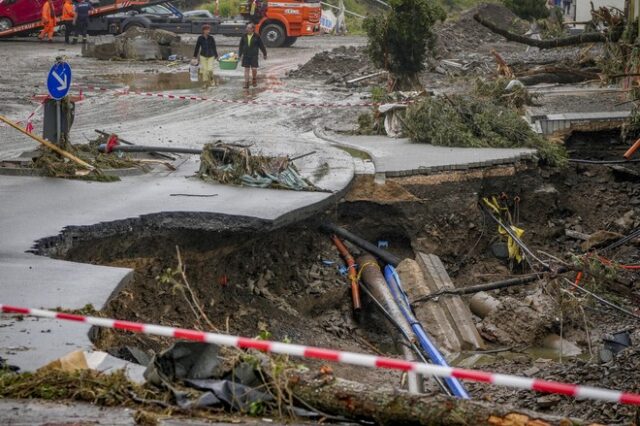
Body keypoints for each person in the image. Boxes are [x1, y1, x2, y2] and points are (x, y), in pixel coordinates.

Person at [238, 23, 266, 89]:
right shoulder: (244, 36)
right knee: (246, 69)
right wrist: (240, 55)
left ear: (253, 29)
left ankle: (254, 79)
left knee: (254, 69)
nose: (247, 29)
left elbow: (261, 46)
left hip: (254, 55)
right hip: (246, 55)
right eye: (247, 28)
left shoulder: (257, 36)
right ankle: (246, 83)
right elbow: (241, 46)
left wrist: (265, 54)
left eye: (248, 28)